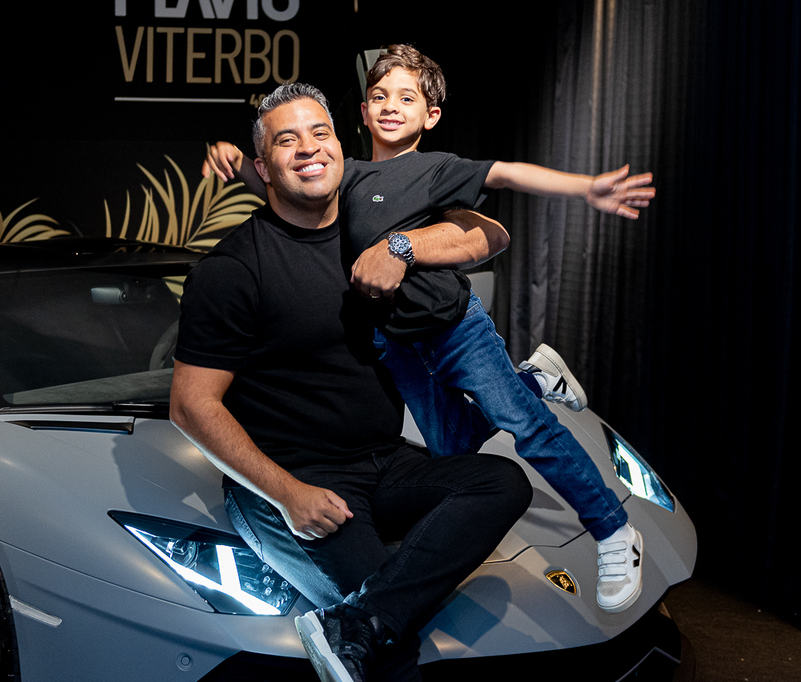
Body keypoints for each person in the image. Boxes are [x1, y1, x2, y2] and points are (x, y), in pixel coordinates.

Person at [201, 46, 654, 614]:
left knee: (528, 428)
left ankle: (613, 529)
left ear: (431, 115)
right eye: (379, 97)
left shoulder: (436, 168)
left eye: (407, 98)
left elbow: (506, 177)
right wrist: (236, 159)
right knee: (452, 444)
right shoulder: (346, 175)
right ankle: (536, 380)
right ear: (362, 112)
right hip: (397, 342)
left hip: (455, 329)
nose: (391, 107)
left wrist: (584, 188)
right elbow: (283, 183)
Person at [171, 85, 532, 682]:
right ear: (263, 168)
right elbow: (190, 406)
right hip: (295, 479)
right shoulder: (232, 269)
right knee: (393, 655)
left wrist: (403, 246)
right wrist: (289, 494)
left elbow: (489, 233)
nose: (309, 148)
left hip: (383, 463)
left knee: (501, 481)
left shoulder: (373, 231)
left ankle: (357, 620)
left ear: (343, 147)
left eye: (321, 133)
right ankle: (371, 627)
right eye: (287, 140)